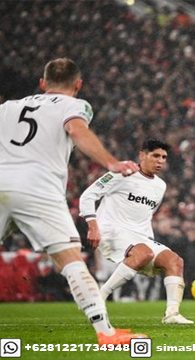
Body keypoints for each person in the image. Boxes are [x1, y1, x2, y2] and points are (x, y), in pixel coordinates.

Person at [0, 58, 145, 344]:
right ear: (78, 85)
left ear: (42, 84)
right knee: (71, 261)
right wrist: (111, 163)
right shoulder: (75, 105)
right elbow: (77, 130)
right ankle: (106, 333)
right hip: (37, 187)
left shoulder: (7, 107)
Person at [79, 139, 193, 324]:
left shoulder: (160, 185)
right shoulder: (121, 173)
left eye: (164, 157)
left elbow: (145, 215)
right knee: (143, 252)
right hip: (111, 230)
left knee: (175, 261)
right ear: (142, 155)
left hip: (139, 237)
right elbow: (88, 196)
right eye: (156, 155)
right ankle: (98, 299)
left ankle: (172, 314)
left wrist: (148, 237)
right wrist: (92, 225)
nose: (160, 161)